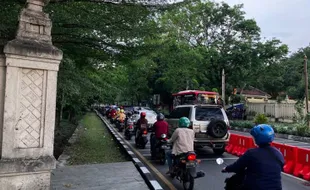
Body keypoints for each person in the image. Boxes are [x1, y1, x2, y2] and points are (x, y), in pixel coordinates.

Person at [222, 124, 284, 190]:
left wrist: (226, 169)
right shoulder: (278, 153)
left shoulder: (251, 153)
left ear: (257, 138)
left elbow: (237, 166)